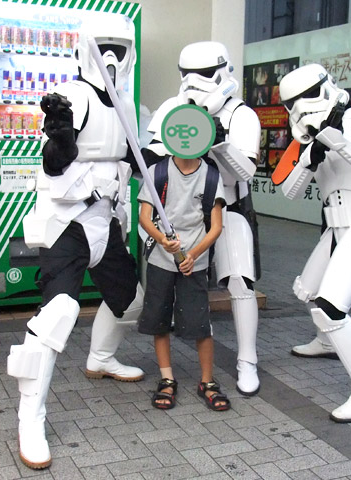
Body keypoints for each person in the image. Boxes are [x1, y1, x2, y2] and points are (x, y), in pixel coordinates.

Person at [7, 14, 145, 469]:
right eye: (104, 48)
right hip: (68, 222)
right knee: (58, 314)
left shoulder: (126, 105)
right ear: (85, 49)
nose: (112, 58)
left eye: (119, 49)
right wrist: (61, 139)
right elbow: (52, 164)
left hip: (107, 220)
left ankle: (101, 357)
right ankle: (31, 418)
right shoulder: (73, 97)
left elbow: (138, 158)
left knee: (130, 300)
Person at [278, 63, 351, 423]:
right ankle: (327, 342)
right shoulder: (306, 139)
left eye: (306, 97)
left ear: (327, 88)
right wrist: (308, 158)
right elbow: (289, 192)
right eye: (292, 104)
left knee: (330, 309)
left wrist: (338, 142)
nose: (301, 108)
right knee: (308, 291)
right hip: (335, 229)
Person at [145, 41, 262, 396]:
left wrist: (219, 142)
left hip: (227, 206)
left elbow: (246, 172)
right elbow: (152, 162)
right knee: (161, 291)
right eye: (188, 75)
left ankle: (247, 359)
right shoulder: (172, 109)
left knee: (240, 282)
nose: (194, 83)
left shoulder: (240, 114)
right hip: (179, 216)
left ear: (223, 72)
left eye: (205, 74)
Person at [137, 153, 229, 411]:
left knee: (200, 321)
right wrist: (162, 240)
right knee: (159, 317)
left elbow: (216, 227)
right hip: (160, 259)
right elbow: (144, 217)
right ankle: (167, 378)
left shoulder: (210, 176)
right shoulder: (157, 172)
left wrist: (193, 255)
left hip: (195, 262)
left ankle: (207, 381)